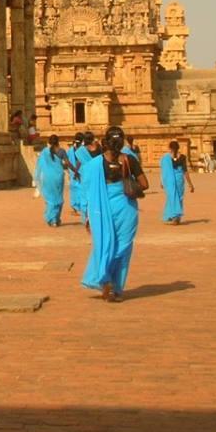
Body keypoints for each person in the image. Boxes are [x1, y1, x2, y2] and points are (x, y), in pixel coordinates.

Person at [81, 126, 149, 302]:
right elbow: (144, 184)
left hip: (102, 208)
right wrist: (126, 186)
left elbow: (88, 190)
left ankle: (105, 282)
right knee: (123, 246)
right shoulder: (129, 159)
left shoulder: (95, 164)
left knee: (104, 244)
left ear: (105, 142)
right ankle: (115, 286)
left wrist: (87, 215)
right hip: (126, 207)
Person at [34, 134, 66, 227]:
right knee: (58, 197)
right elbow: (66, 163)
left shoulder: (44, 152)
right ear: (58, 142)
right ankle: (56, 218)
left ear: (48, 142)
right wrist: (75, 171)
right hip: (59, 177)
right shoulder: (61, 151)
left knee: (50, 199)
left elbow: (39, 167)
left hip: (48, 178)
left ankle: (51, 219)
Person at [160, 140, 194, 224]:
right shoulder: (182, 157)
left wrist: (161, 181)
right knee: (179, 198)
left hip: (169, 181)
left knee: (172, 198)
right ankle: (177, 218)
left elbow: (164, 171)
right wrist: (190, 184)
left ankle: (173, 216)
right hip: (179, 180)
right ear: (178, 148)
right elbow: (185, 171)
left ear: (170, 148)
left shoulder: (166, 158)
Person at [65, 133, 84, 217]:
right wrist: (76, 171)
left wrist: (73, 171)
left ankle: (76, 208)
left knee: (75, 191)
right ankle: (79, 208)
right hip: (80, 173)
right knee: (79, 190)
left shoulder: (70, 150)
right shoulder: (83, 150)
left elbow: (67, 162)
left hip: (75, 173)